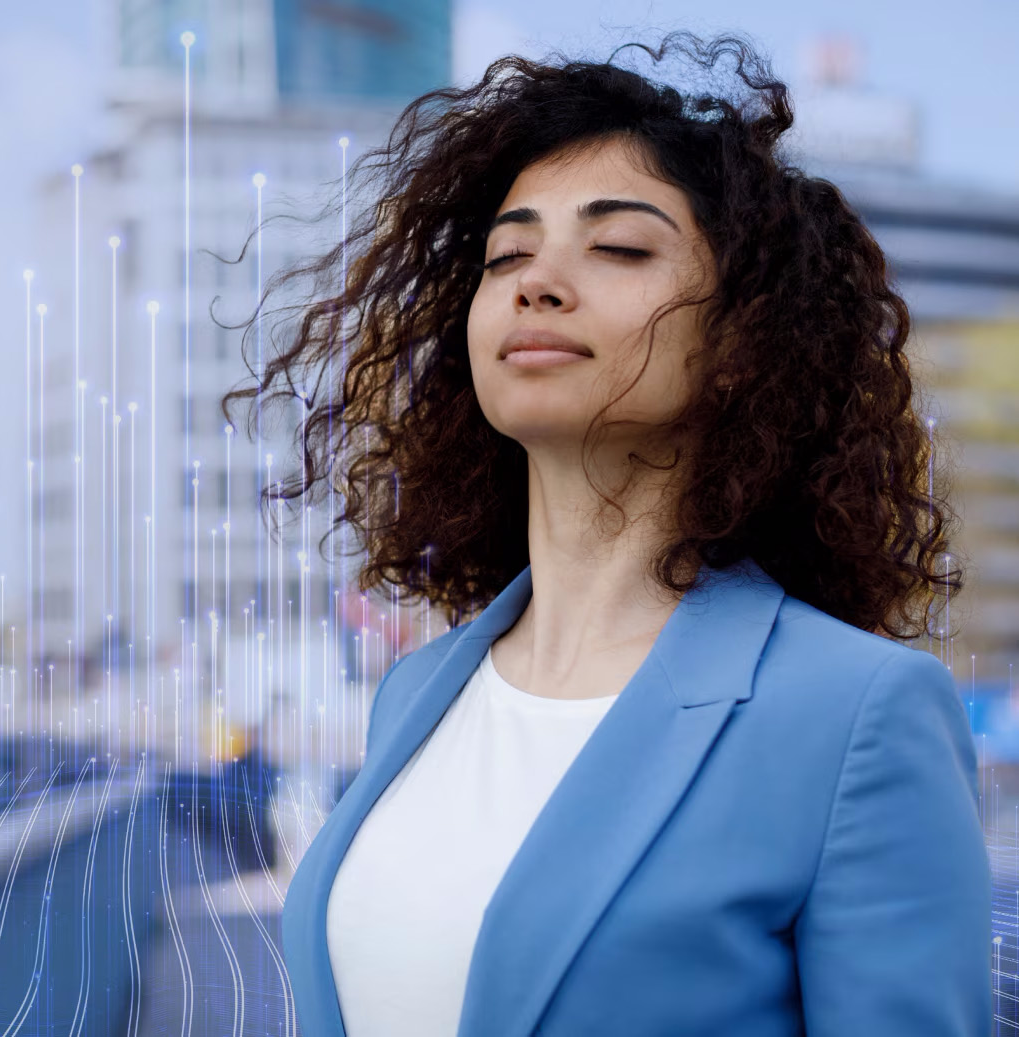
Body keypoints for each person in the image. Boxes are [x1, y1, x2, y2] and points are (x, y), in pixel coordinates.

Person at [221, 31, 990, 1036]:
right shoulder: (421, 689)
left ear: (738, 342)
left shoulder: (860, 715)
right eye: (507, 255)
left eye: (619, 246)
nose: (537, 281)